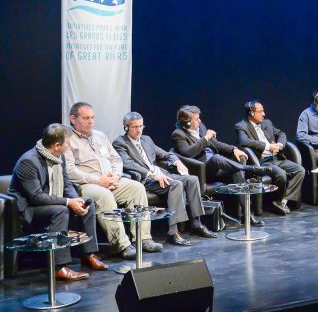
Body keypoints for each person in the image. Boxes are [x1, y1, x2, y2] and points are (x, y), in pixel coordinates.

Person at [9, 124, 108, 280]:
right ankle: (59, 266)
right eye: (67, 143)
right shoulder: (28, 162)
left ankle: (88, 254)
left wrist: (76, 201)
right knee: (61, 210)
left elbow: (66, 183)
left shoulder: (57, 156)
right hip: (28, 209)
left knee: (88, 204)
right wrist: (68, 202)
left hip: (50, 202)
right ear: (56, 146)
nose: (69, 146)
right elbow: (35, 197)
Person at [64, 102, 160, 258]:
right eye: (86, 118)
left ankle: (143, 238)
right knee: (104, 195)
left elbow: (116, 159)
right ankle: (121, 244)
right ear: (73, 119)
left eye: (92, 118)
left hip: (111, 180)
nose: (91, 122)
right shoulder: (67, 139)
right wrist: (99, 180)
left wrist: (116, 175)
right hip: (86, 185)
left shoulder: (100, 136)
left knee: (137, 188)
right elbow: (70, 171)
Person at [113, 112, 218, 246]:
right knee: (176, 184)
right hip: (144, 179)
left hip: (161, 174)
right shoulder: (120, 143)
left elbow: (166, 154)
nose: (139, 130)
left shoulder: (147, 140)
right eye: (135, 127)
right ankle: (172, 232)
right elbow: (128, 163)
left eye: (141, 126)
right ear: (126, 127)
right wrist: (151, 175)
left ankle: (197, 223)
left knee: (192, 180)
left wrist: (177, 163)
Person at [171, 105, 275, 226]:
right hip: (202, 170)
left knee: (238, 171)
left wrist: (233, 149)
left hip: (218, 167)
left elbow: (216, 143)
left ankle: (247, 215)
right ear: (188, 122)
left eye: (199, 118)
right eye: (196, 119)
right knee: (216, 158)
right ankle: (251, 169)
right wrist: (205, 138)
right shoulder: (178, 134)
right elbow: (188, 153)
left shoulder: (201, 127)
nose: (199, 121)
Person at [235, 100, 306, 214]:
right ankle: (275, 201)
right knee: (281, 174)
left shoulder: (267, 123)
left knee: (300, 170)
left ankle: (283, 201)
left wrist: (279, 145)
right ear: (252, 113)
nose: (264, 114)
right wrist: (268, 147)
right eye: (261, 111)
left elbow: (281, 134)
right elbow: (244, 141)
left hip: (276, 158)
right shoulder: (241, 126)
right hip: (262, 162)